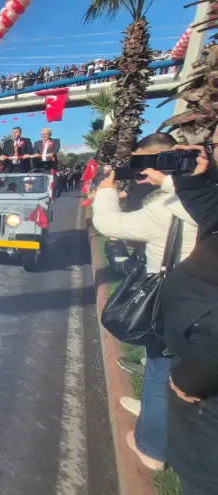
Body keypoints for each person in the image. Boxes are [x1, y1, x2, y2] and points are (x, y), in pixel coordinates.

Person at [91, 133, 198, 472]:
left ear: (164, 161)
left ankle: (152, 448)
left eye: (145, 164)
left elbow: (108, 223)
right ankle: (154, 412)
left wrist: (106, 190)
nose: (142, 173)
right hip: (193, 296)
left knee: (161, 370)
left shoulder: (173, 204)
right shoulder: (197, 193)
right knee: (162, 367)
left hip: (175, 300)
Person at [140, 142, 218, 495]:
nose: (211, 153)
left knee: (202, 474)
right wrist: (196, 182)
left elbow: (110, 222)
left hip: (203, 369)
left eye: (215, 147)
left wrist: (191, 378)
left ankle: (154, 445)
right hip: (193, 339)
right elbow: (212, 217)